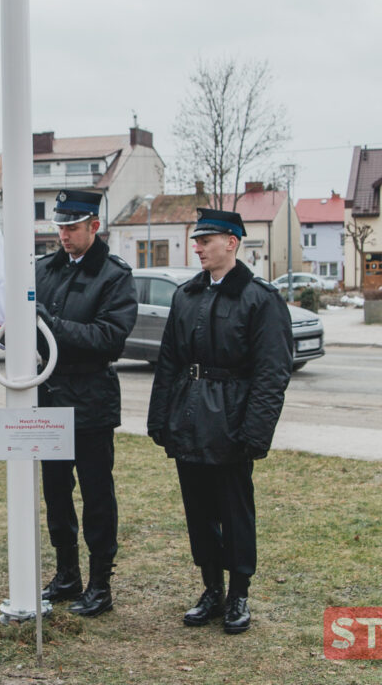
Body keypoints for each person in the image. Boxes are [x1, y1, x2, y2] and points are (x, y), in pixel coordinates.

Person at [146, 208, 293, 634]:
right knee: (198, 509)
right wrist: (160, 418)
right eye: (196, 240)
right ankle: (211, 587)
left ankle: (238, 593)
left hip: (231, 419)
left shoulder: (260, 299)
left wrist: (255, 431)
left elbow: (272, 373)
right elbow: (170, 361)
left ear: (231, 242)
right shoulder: (186, 295)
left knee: (235, 509)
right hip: (189, 416)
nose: (198, 248)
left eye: (206, 240)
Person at [34, 189, 137, 617]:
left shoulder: (113, 276)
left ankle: (99, 582)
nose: (64, 235)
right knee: (56, 493)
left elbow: (109, 338)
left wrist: (51, 325)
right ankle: (66, 573)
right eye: (59, 227)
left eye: (72, 227)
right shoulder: (45, 270)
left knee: (96, 495)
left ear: (94, 226)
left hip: (90, 397)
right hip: (50, 393)